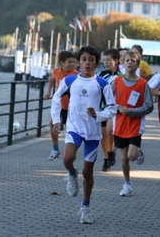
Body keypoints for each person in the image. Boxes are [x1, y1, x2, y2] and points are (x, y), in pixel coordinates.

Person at [50, 46, 117, 224]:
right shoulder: (70, 80)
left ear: (96, 62)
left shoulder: (102, 84)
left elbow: (112, 108)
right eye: (84, 59)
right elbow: (56, 98)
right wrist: (56, 120)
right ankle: (72, 174)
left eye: (91, 60)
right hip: (74, 128)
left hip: (93, 133)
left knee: (88, 172)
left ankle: (86, 206)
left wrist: (98, 114)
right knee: (67, 158)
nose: (87, 63)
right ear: (79, 62)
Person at [111, 50, 153, 196]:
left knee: (131, 156)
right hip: (120, 126)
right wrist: (118, 108)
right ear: (122, 63)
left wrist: (132, 111)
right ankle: (127, 184)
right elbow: (108, 103)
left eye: (133, 60)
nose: (129, 62)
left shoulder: (143, 84)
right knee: (123, 158)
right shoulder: (115, 82)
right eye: (127, 60)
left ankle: (138, 151)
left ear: (137, 64)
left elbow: (149, 106)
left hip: (135, 125)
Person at [44, 51, 78, 160]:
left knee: (71, 129)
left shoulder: (76, 74)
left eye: (73, 62)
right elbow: (51, 80)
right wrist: (49, 92)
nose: (72, 64)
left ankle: (72, 151)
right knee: (51, 123)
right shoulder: (56, 71)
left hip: (71, 106)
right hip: (59, 104)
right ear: (62, 63)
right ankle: (55, 149)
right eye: (69, 62)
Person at [98, 48, 123, 171]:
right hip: (102, 107)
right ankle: (107, 157)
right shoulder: (102, 74)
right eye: (104, 60)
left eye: (108, 60)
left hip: (115, 108)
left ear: (116, 60)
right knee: (103, 136)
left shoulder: (121, 75)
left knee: (109, 130)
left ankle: (111, 151)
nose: (106, 63)